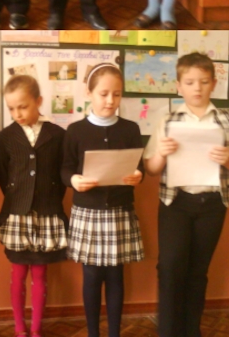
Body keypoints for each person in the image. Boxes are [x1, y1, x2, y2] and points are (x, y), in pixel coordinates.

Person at [143, 52, 229, 337]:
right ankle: (168, 331)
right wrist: (161, 155)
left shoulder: (227, 120)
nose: (197, 88)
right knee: (170, 267)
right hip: (175, 203)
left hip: (212, 204)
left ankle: (191, 330)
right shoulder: (167, 120)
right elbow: (151, 169)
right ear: (179, 86)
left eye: (203, 81)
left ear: (214, 83)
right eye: (189, 82)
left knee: (198, 271)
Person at [62, 63, 144, 337]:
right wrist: (74, 180)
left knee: (115, 275)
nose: (110, 100)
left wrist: (138, 175)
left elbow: (139, 166)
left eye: (117, 94)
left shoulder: (130, 129)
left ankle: (114, 333)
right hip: (88, 211)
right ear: (89, 93)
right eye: (104, 94)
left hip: (119, 210)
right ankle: (93, 333)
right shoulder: (75, 130)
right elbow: (65, 168)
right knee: (92, 275)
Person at [0, 75, 67, 337]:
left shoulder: (58, 135)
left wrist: (48, 199)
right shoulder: (5, 137)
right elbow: (2, 175)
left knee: (40, 274)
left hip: (47, 212)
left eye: (23, 107)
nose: (17, 113)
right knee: (17, 274)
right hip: (17, 214)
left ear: (38, 101)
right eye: (11, 108)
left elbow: (61, 176)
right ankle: (19, 328)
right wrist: (19, 198)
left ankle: (36, 329)